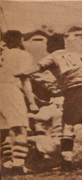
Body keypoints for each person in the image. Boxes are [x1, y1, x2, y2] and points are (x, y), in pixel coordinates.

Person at [15, 33, 82, 171]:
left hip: (75, 89)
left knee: (67, 125)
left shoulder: (51, 57)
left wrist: (23, 73)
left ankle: (67, 160)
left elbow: (37, 67)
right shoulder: (74, 55)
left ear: (50, 46)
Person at [0, 30, 38, 175]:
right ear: (20, 40)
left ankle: (8, 163)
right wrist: (32, 102)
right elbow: (25, 78)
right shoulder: (23, 54)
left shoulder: (2, 54)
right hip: (11, 89)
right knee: (21, 128)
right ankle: (18, 164)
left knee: (4, 130)